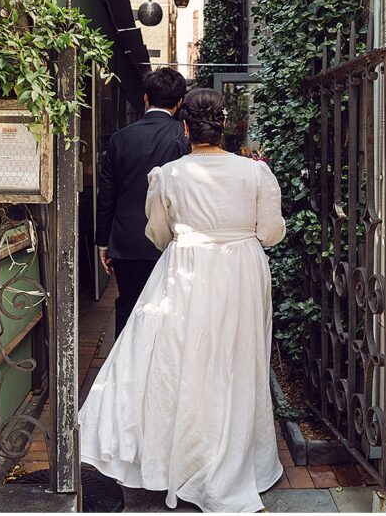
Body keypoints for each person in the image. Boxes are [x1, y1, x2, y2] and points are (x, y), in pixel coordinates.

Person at [80, 88, 287, 513]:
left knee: (178, 359)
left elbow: (158, 233)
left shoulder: (168, 175)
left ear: (186, 127)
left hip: (185, 269)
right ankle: (230, 456)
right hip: (242, 271)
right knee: (235, 359)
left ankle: (178, 457)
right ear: (223, 126)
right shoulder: (256, 174)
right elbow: (270, 232)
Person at [96, 67, 190, 334]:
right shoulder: (184, 138)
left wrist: (104, 242)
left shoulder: (119, 138)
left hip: (127, 240)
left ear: (146, 98)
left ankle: (123, 369)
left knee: (128, 305)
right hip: (172, 238)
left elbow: (108, 194)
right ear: (180, 102)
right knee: (168, 306)